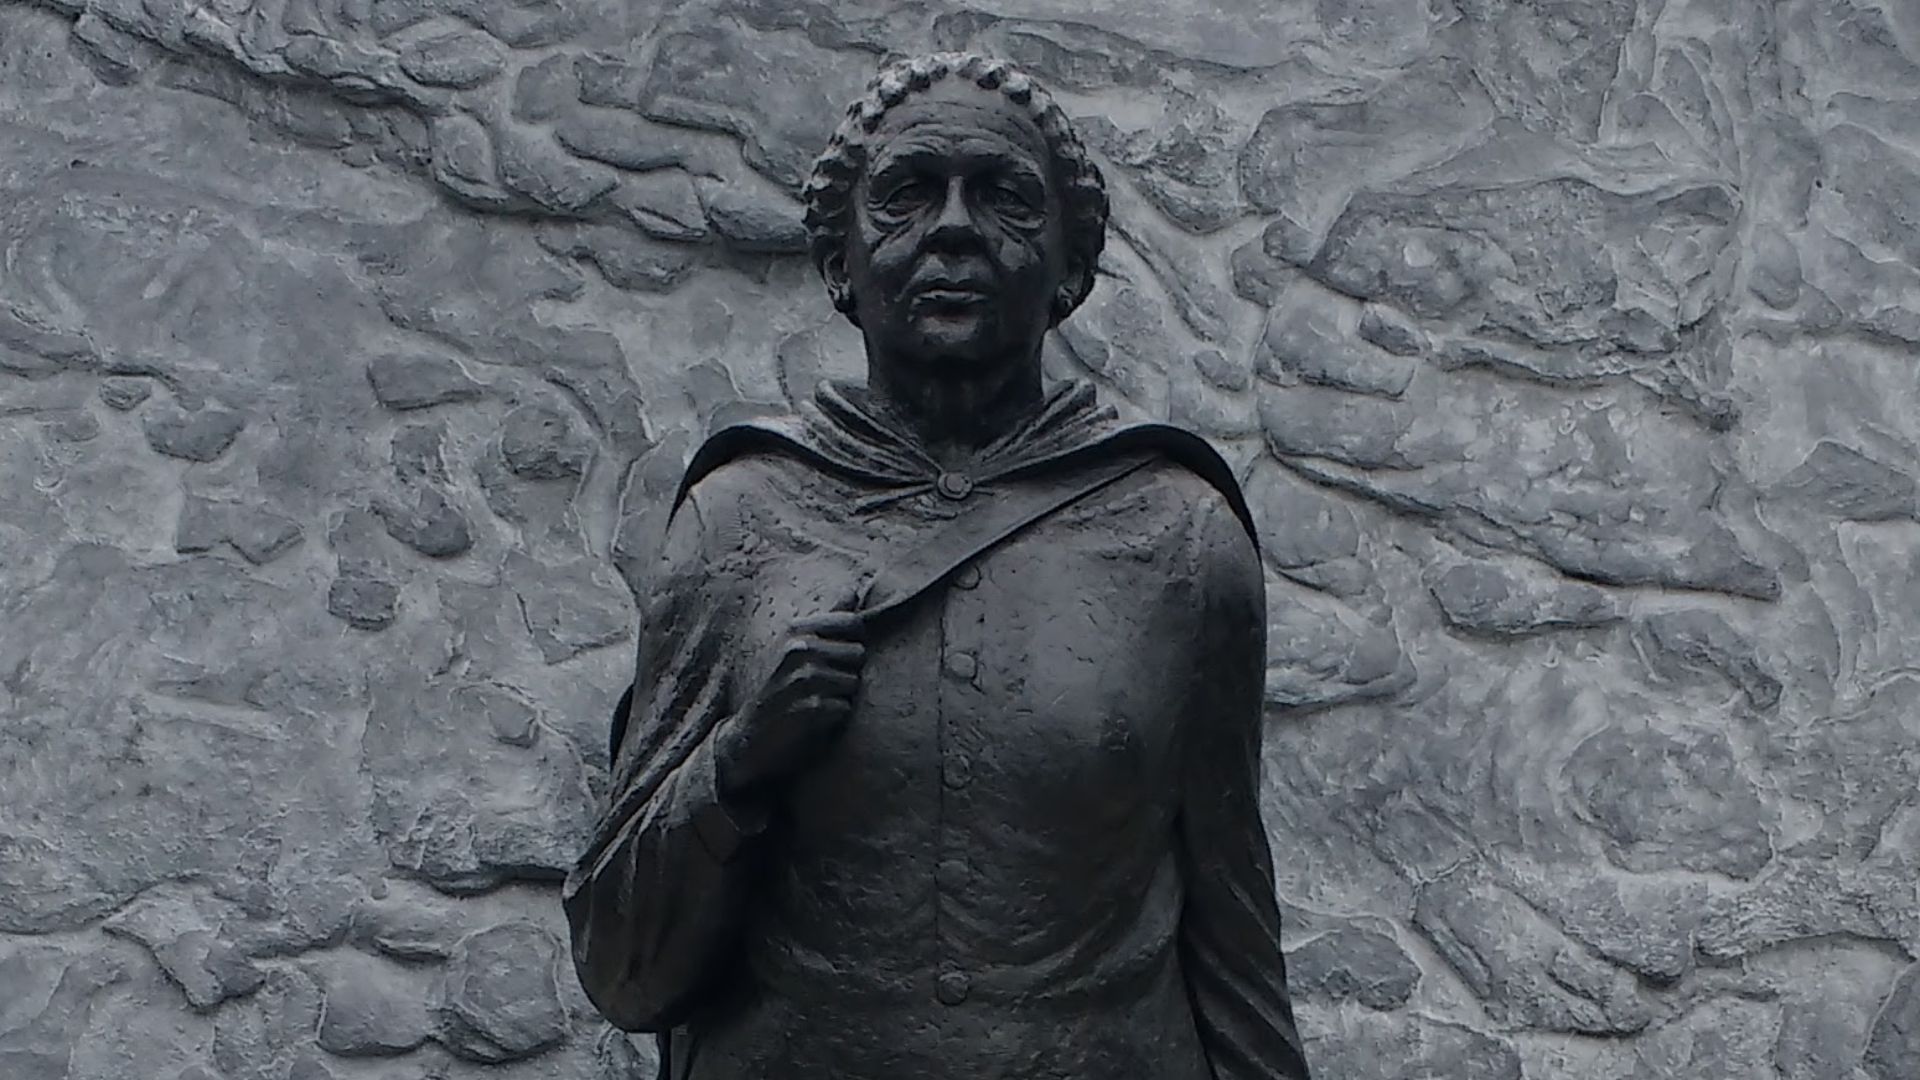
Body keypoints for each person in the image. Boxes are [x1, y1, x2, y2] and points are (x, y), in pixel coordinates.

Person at [563, 51, 1311, 1080]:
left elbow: (1232, 938)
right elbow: (620, 964)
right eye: (908, 195)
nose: (953, 228)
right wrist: (739, 762)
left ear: (1070, 266)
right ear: (841, 261)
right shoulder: (736, 521)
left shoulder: (1178, 534)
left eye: (1003, 197)